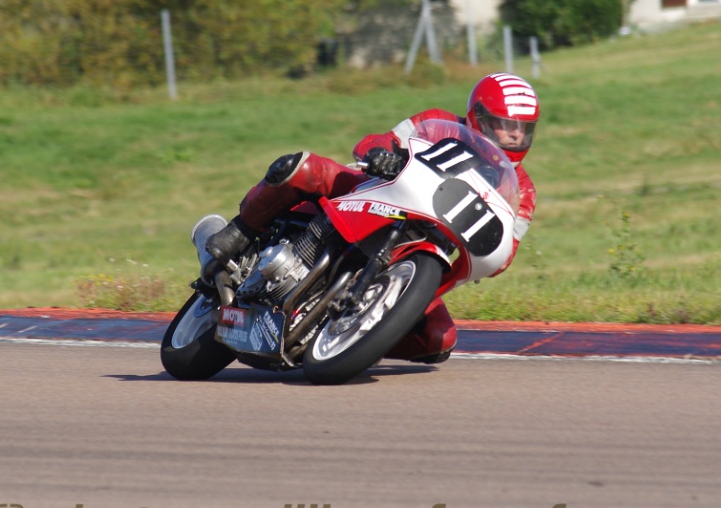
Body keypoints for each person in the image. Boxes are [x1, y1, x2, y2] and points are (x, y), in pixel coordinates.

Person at [205, 72, 540, 363]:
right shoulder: (439, 122)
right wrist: (381, 154)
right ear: (478, 115)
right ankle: (240, 232)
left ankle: (349, 340)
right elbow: (381, 141)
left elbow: (506, 250)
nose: (514, 136)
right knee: (303, 168)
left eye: (523, 129)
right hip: (376, 194)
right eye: (505, 125)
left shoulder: (521, 190)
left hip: (421, 245)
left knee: (439, 338)